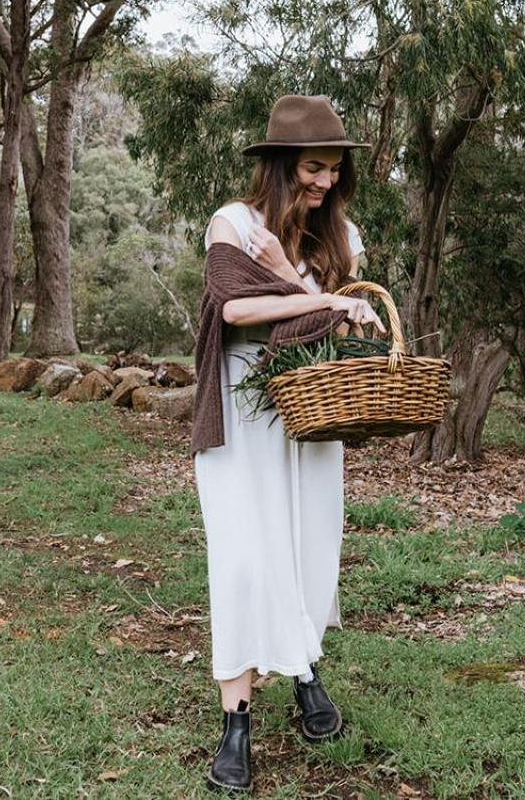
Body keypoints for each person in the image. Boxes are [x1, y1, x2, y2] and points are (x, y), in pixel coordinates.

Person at [192, 94, 385, 793]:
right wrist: (309, 289)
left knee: (303, 554)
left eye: (334, 171)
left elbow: (333, 328)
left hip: (307, 415)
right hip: (241, 414)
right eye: (312, 167)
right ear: (279, 165)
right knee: (244, 559)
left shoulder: (343, 238)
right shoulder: (234, 222)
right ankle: (236, 724)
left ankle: (304, 671)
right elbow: (236, 309)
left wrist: (300, 282)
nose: (324, 183)